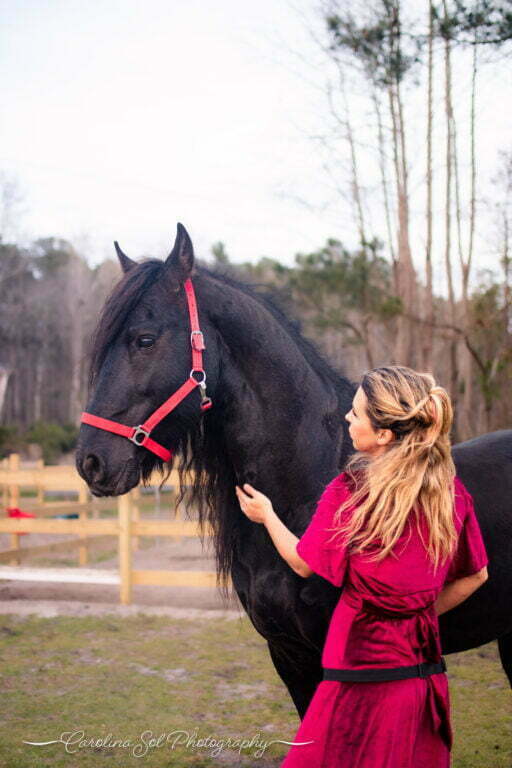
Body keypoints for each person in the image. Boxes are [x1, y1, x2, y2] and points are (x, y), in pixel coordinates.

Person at [235, 365, 489, 768]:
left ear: (384, 435)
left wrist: (266, 515)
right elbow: (476, 574)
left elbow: (302, 563)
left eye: (356, 413)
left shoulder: (351, 493)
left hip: (355, 676)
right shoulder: (450, 495)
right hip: (420, 676)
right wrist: (418, 612)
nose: (347, 418)